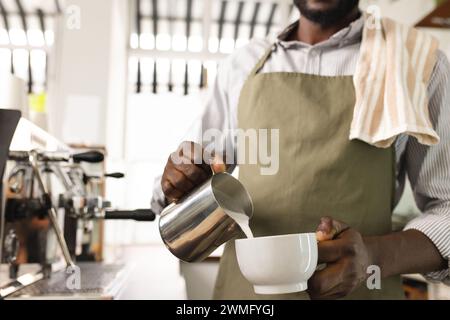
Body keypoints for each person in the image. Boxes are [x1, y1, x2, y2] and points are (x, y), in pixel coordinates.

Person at [151, 0, 450, 299]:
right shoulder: (242, 65)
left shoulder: (416, 64)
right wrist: (181, 178)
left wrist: (373, 256)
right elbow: (177, 185)